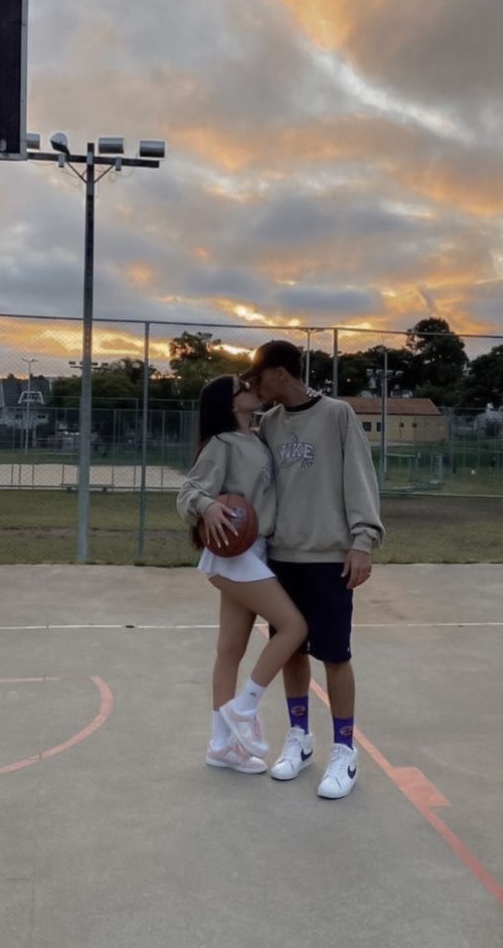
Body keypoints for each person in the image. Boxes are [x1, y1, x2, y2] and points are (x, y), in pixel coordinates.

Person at [241, 340, 384, 799]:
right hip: (284, 556)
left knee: (336, 655)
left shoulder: (337, 415)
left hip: (329, 557)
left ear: (281, 372)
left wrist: (363, 541)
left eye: (259, 377)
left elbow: (360, 478)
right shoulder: (269, 424)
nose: (255, 386)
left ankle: (345, 749)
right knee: (292, 652)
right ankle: (300, 738)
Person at [177, 374, 307, 775]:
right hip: (235, 556)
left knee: (229, 650)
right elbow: (188, 493)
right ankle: (245, 707)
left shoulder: (255, 437)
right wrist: (207, 506)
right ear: (232, 403)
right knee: (293, 627)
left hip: (254, 551)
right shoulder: (221, 444)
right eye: (243, 386)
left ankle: (221, 746)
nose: (253, 388)